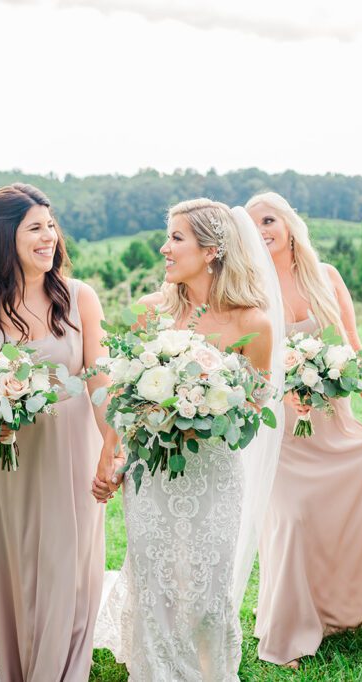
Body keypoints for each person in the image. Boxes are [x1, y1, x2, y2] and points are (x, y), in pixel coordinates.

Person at [94, 198, 284, 680]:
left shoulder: (252, 323)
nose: (165, 248)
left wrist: (204, 405)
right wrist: (110, 453)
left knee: (206, 587)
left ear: (212, 249)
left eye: (176, 238)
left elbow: (257, 405)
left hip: (213, 470)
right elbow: (121, 392)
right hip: (151, 469)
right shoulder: (151, 312)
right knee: (155, 579)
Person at [0, 183, 111, 681]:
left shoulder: (79, 298)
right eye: (35, 228)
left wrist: (111, 447)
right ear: (3, 237)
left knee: (66, 555)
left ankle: (59, 658)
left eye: (51, 226)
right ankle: (17, 645)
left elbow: (99, 377)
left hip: (69, 450)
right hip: (5, 454)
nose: (49, 237)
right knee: (15, 554)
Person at [246, 192, 362, 668]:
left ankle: (333, 609)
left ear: (289, 222)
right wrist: (281, 390)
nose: (262, 230)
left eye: (269, 219)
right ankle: (284, 629)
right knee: (293, 519)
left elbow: (353, 347)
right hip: (282, 429)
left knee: (336, 510)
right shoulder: (248, 286)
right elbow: (244, 361)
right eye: (253, 223)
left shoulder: (327, 277)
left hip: (331, 420)